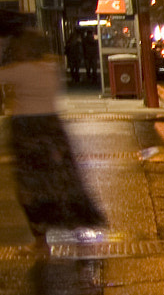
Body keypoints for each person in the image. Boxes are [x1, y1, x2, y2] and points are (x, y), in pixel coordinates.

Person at [0, 16, 104, 252]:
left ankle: (40, 240)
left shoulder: (20, 70)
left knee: (29, 187)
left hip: (26, 130)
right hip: (52, 128)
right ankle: (79, 228)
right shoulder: (51, 67)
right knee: (62, 180)